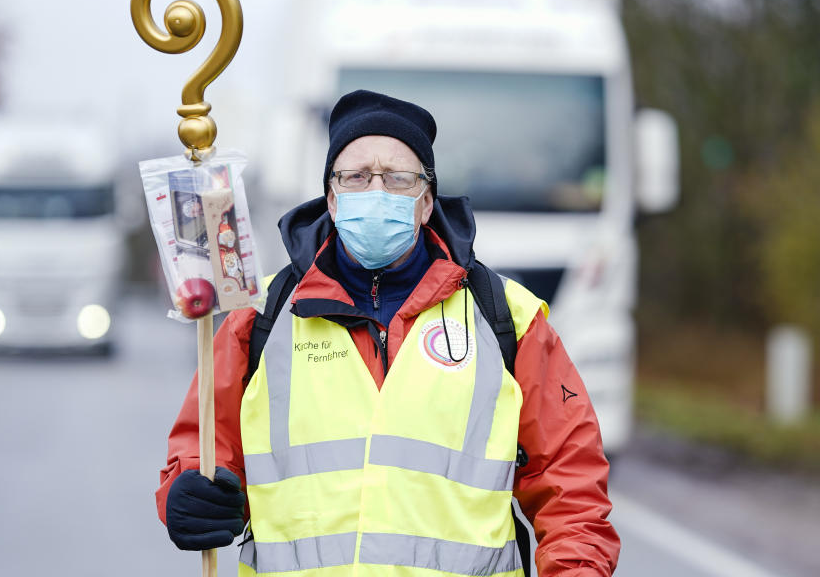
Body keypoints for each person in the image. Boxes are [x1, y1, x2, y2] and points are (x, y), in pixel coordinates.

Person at [157, 89, 621, 576]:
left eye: (398, 178)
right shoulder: (260, 319)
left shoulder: (509, 319)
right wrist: (188, 493)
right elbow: (202, 451)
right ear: (331, 199)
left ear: (425, 203)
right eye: (356, 176)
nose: (375, 191)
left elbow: (573, 493)